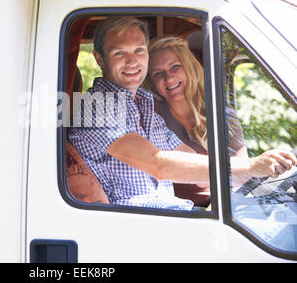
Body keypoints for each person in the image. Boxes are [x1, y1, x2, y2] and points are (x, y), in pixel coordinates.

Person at [68, 16, 296, 211]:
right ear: (99, 59)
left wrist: (265, 172)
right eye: (119, 53)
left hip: (172, 217)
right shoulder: (94, 107)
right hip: (137, 230)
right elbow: (159, 165)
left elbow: (191, 158)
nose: (132, 61)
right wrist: (250, 166)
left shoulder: (145, 106)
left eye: (139, 50)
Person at [143, 36, 247, 206]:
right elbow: (201, 179)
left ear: (189, 66)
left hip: (228, 204)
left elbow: (242, 171)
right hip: (186, 212)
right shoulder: (151, 115)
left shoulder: (220, 108)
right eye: (158, 73)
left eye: (175, 67)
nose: (169, 78)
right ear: (152, 82)